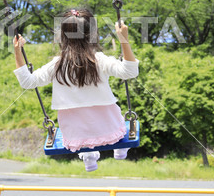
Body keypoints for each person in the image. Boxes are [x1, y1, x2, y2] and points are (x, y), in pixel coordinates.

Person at [13, 9, 139, 172]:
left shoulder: (57, 65)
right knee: (115, 121)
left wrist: (17, 51)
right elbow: (130, 72)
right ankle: (120, 147)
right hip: (109, 129)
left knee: (81, 127)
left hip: (76, 137)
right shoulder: (99, 60)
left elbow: (27, 82)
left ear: (62, 37)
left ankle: (88, 157)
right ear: (92, 34)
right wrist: (123, 39)